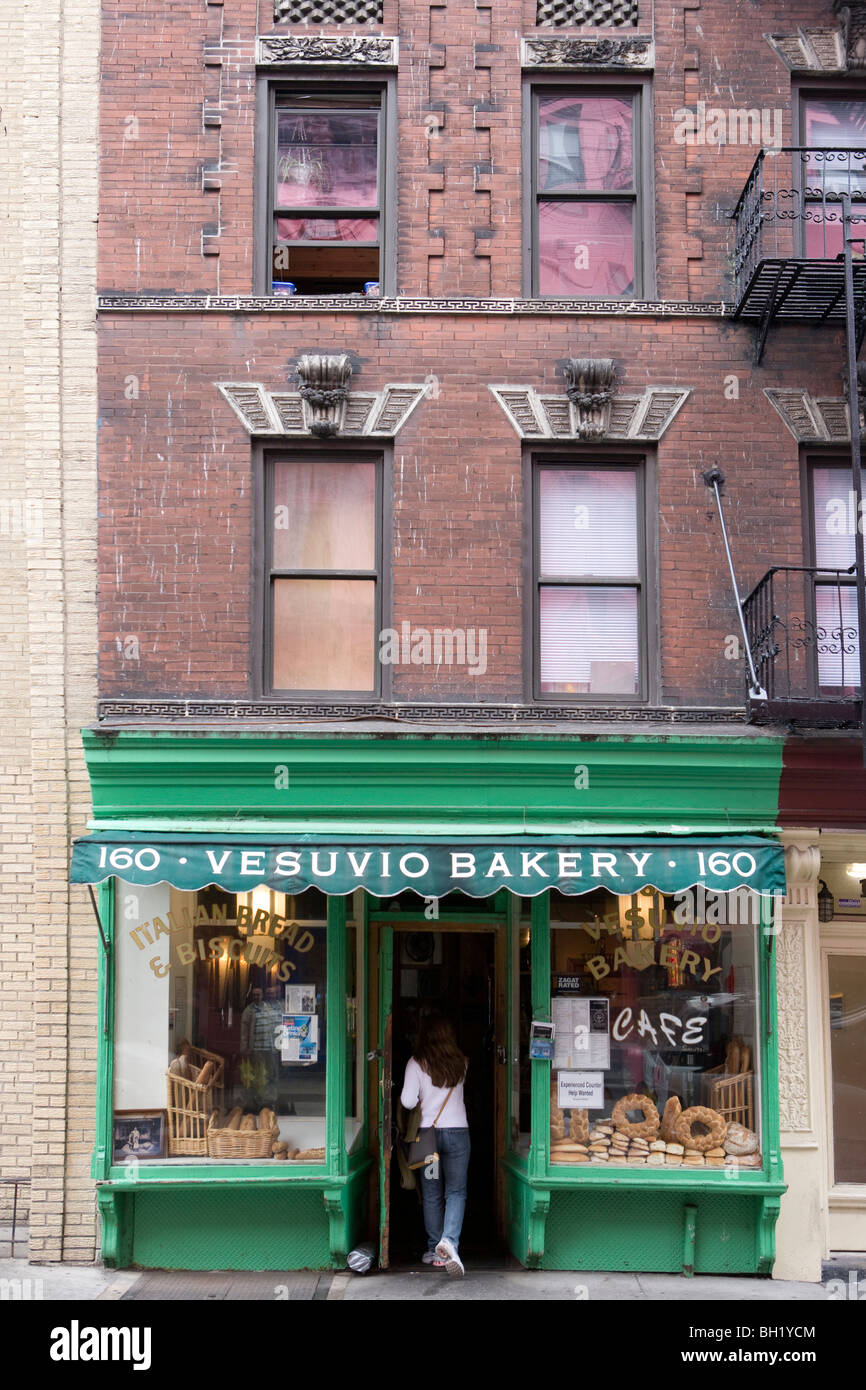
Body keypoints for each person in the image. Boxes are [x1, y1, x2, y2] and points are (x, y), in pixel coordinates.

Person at [399, 1013, 470, 1278]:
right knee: (456, 1191)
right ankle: (449, 1243)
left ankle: (433, 1249)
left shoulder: (416, 1063)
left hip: (427, 1136)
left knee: (431, 1193)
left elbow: (407, 1102)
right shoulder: (462, 1062)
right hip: (458, 1134)